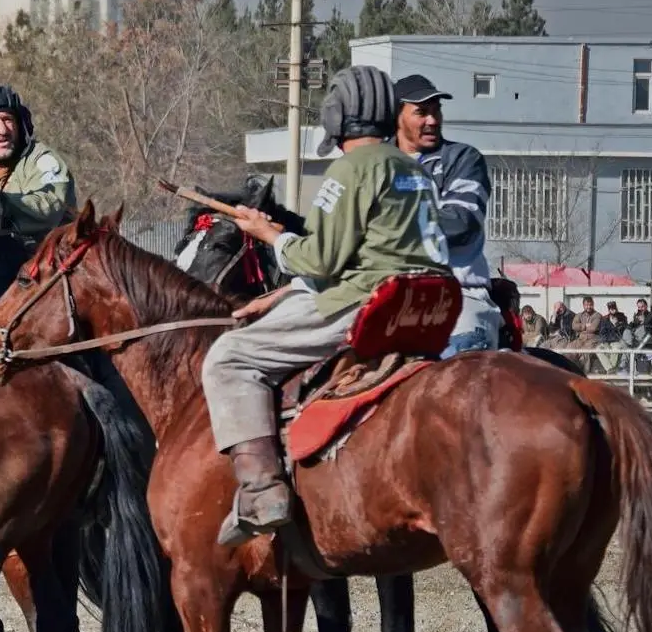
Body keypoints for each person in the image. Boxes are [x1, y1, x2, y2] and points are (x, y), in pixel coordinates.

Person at [201, 66, 448, 546]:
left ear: (337, 116)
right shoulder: (412, 167)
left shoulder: (351, 168)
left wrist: (271, 235)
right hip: (430, 303)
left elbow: (320, 259)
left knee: (228, 357)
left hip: (367, 300)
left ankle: (260, 490)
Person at [391, 75, 499, 355]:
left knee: (463, 377)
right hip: (387, 295)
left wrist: (387, 224)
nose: (433, 120)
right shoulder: (375, 162)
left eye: (436, 110)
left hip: (457, 294)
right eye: (421, 112)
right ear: (396, 115)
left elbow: (462, 223)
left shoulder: (463, 159)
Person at [0, 85, 76, 242]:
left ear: (20, 125)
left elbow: (51, 207)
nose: (2, 130)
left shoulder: (43, 159)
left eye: (8, 119)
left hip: (49, 259)